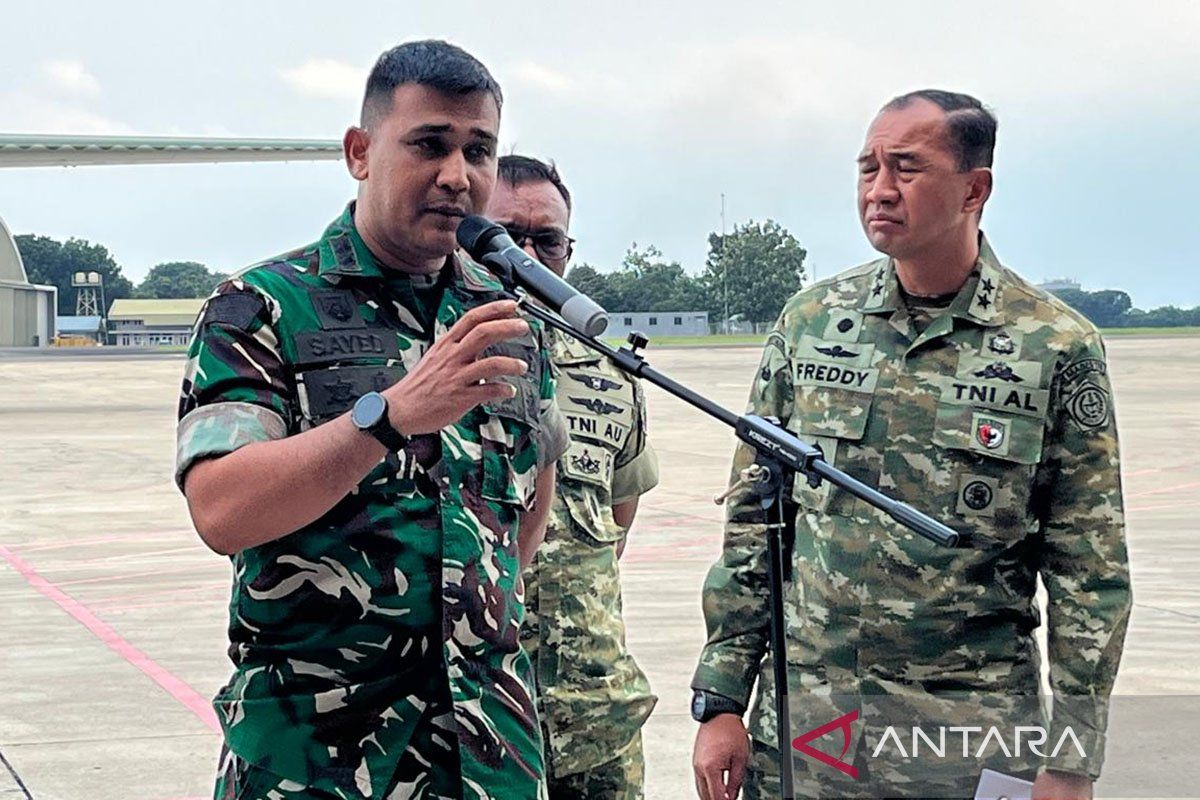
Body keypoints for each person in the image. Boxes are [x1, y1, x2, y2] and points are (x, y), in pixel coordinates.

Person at [690, 90, 1131, 799]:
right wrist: (719, 702)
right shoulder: (811, 324)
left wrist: (1071, 758)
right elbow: (755, 525)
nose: (879, 190)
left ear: (974, 189)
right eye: (867, 169)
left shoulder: (1055, 345)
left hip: (970, 739)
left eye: (906, 168)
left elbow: (1090, 569)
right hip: (811, 730)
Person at [175, 41, 569, 800]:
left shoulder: (510, 320)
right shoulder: (259, 308)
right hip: (317, 755)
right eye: (430, 144)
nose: (458, 175)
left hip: (490, 755)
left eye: (479, 150)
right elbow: (221, 509)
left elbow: (528, 504)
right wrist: (387, 419)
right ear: (359, 152)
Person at [485, 155, 660, 799]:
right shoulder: (420, 361)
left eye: (547, 240)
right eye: (507, 237)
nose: (527, 256)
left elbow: (618, 521)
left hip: (591, 717)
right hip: (470, 718)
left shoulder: (610, 373)